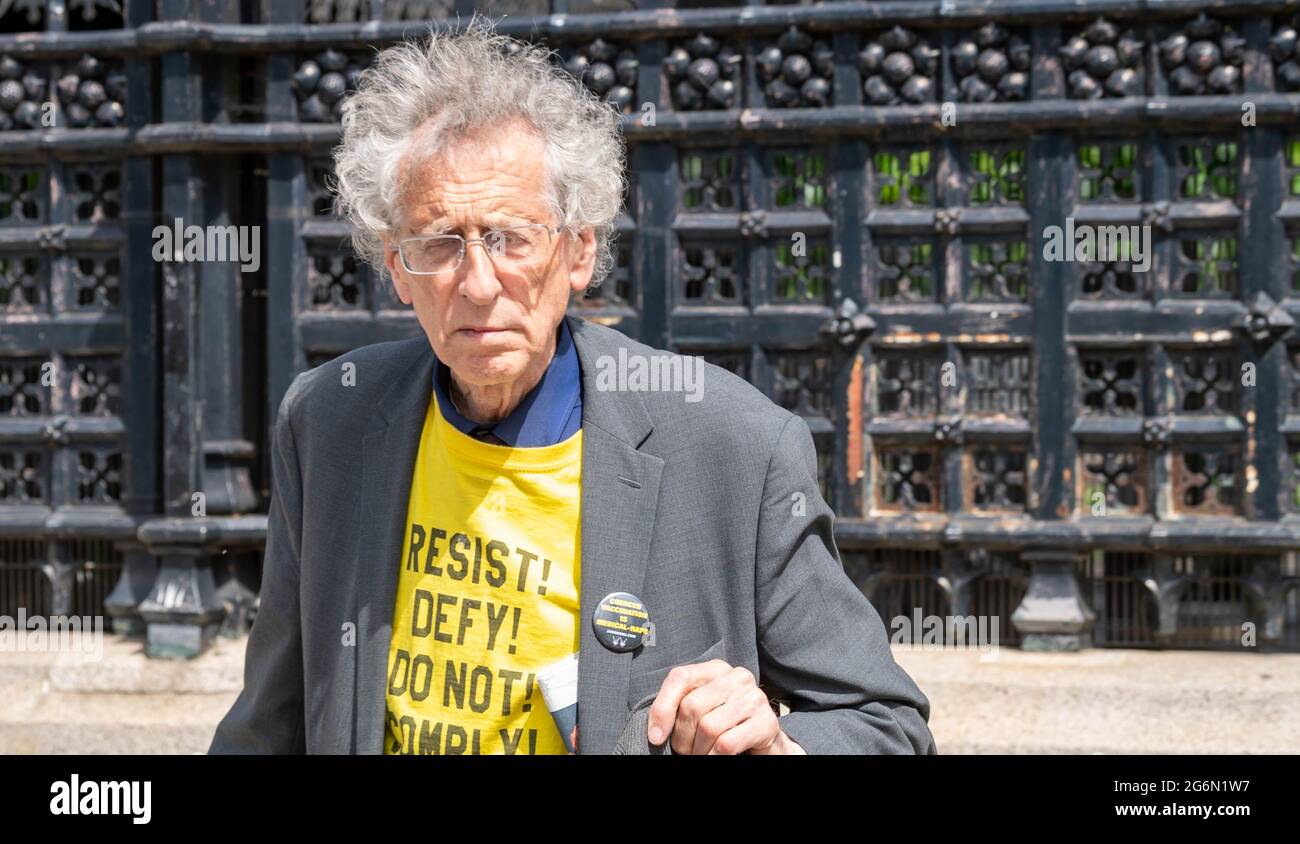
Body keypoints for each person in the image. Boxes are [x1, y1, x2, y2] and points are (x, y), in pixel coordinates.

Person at [209, 17, 935, 756]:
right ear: (396, 266)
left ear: (579, 251)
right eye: (439, 245)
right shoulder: (329, 420)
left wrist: (775, 746)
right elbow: (270, 723)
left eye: (510, 239)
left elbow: (885, 724)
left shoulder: (733, 446)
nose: (480, 283)